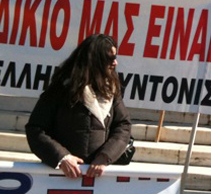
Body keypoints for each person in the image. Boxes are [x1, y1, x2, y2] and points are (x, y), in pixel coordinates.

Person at [25, 34, 132, 179]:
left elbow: (123, 126)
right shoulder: (61, 88)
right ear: (94, 59)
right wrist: (62, 158)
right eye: (110, 58)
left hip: (99, 179)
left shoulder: (111, 89)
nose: (115, 63)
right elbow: (36, 129)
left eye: (115, 57)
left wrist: (105, 156)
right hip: (62, 177)